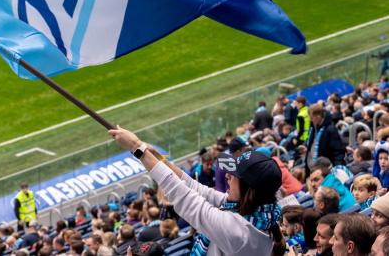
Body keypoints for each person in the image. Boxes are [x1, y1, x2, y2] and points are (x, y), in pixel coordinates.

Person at [109, 126, 285, 255]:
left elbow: (184, 197)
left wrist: (136, 147)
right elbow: (196, 188)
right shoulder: (257, 213)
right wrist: (160, 159)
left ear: (249, 190)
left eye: (234, 175)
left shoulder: (241, 233)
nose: (227, 176)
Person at [303, 103, 346, 172]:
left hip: (323, 169)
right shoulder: (313, 126)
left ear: (318, 116)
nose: (310, 120)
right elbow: (310, 139)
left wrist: (338, 169)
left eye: (312, 118)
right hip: (310, 165)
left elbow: (338, 151)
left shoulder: (330, 129)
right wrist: (305, 145)